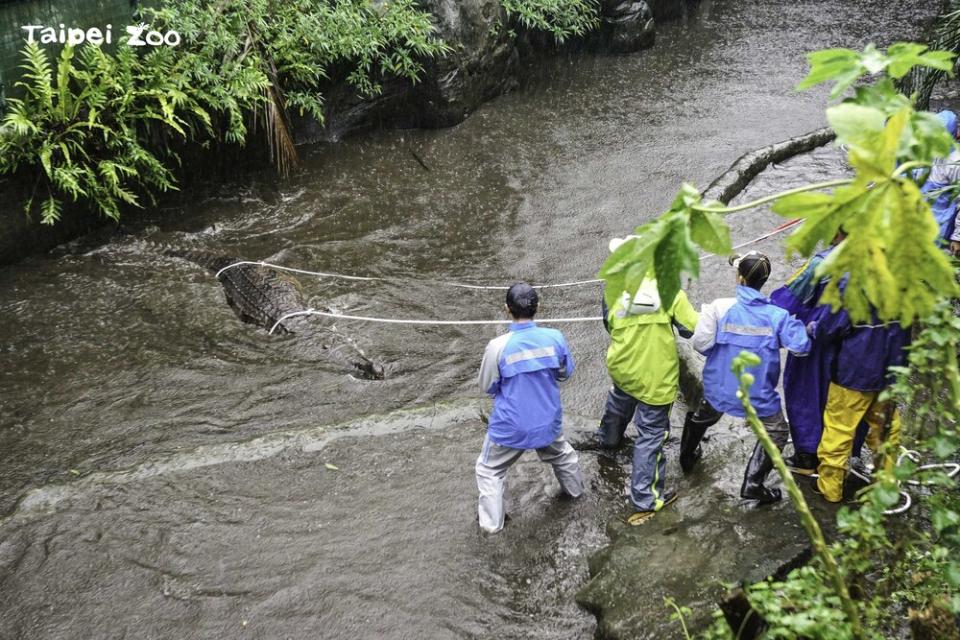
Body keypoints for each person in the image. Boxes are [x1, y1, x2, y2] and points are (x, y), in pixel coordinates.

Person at [679, 251, 811, 504]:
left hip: (721, 385)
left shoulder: (718, 307)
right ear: (764, 280)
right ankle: (753, 483)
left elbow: (701, 344)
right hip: (758, 392)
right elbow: (801, 347)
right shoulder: (777, 316)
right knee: (777, 431)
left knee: (704, 414)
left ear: (739, 278)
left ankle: (686, 456)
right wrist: (805, 328)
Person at [596, 237, 699, 524]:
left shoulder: (612, 289)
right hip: (656, 376)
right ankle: (646, 498)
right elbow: (692, 329)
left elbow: (609, 324)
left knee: (620, 400)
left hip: (623, 366)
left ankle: (608, 439)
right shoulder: (669, 290)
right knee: (651, 435)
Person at [475, 282, 584, 533]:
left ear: (506, 309)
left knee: (489, 469)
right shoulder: (555, 337)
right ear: (538, 307)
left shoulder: (497, 346)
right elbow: (565, 373)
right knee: (563, 456)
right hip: (547, 420)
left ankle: (491, 528)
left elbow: (487, 385)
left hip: (510, 426)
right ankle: (577, 495)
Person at [811, 302, 909, 503]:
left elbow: (828, 329)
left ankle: (830, 488)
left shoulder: (854, 284)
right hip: (889, 373)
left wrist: (813, 328)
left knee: (839, 431)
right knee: (886, 430)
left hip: (853, 374)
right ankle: (885, 487)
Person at [769, 231, 845, 475]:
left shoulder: (820, 264)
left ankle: (807, 457)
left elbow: (785, 300)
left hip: (816, 343)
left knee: (806, 396)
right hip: (854, 345)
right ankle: (841, 454)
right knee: (845, 400)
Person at [920, 110, 960, 245]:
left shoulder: (956, 162)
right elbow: (923, 174)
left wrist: (957, 237)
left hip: (942, 230)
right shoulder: (935, 154)